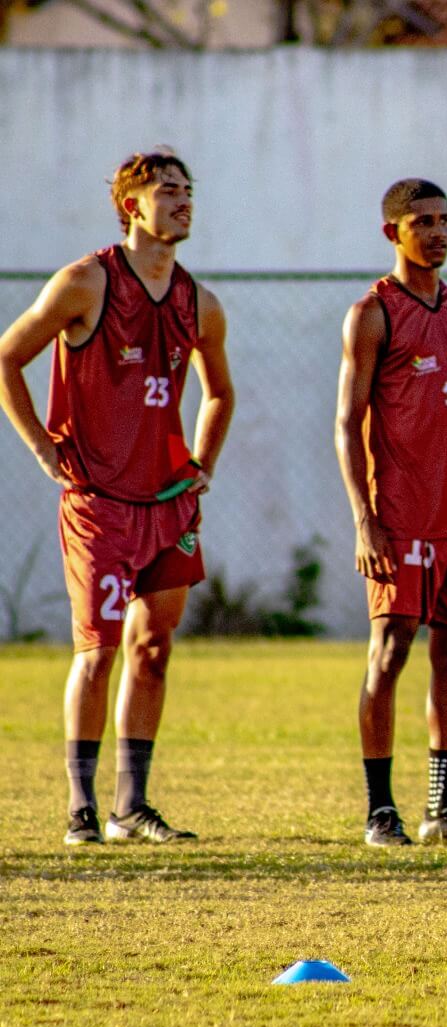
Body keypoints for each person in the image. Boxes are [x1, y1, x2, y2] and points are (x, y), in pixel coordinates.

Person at [0, 149, 235, 845]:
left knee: (153, 647)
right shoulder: (85, 281)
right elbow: (8, 355)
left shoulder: (200, 301)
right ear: (132, 206)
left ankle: (130, 806)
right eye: (168, 191)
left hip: (168, 503)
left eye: (189, 191)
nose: (183, 201)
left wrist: (203, 463)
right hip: (99, 501)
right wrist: (43, 446)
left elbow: (220, 391)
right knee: (97, 650)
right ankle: (80, 807)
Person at [335, 178, 447, 847]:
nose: (438, 232)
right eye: (423, 222)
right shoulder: (373, 314)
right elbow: (347, 424)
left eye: (445, 220)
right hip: (401, 513)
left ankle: (443, 807)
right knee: (390, 650)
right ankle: (382, 809)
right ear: (393, 234)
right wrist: (364, 517)